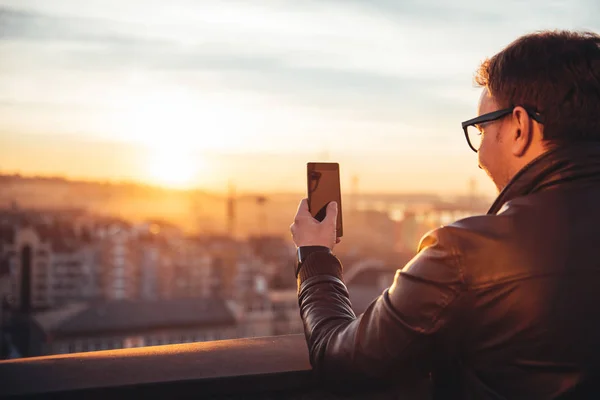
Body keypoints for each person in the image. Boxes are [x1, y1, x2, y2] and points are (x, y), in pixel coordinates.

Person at [290, 30, 600, 399]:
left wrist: (315, 257)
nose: (481, 154)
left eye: (483, 128)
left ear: (520, 127)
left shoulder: (465, 254)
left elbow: (342, 361)